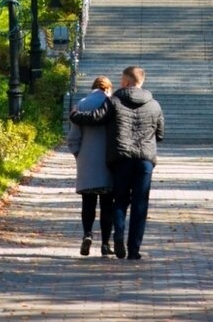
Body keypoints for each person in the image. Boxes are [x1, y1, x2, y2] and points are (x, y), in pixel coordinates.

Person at [70, 66, 164, 261]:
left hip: (121, 158)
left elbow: (96, 117)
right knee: (140, 204)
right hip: (145, 160)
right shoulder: (155, 105)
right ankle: (134, 250)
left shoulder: (114, 101)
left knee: (120, 200)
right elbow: (160, 134)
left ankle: (118, 236)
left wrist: (75, 115)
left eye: (122, 80)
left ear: (128, 82)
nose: (120, 83)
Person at [66, 76, 115, 256]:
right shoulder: (112, 105)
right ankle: (105, 243)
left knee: (88, 202)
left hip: (86, 160)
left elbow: (73, 138)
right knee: (107, 204)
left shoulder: (80, 105)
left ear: (93, 87)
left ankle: (87, 234)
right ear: (108, 89)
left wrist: (79, 154)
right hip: (108, 161)